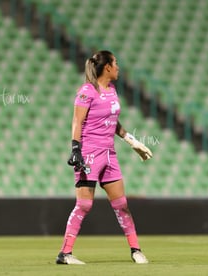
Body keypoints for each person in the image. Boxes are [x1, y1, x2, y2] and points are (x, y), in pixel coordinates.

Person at [56, 50, 153, 265]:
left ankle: (136, 250)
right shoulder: (86, 91)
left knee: (122, 205)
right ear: (107, 67)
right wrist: (75, 149)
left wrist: (132, 141)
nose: (118, 67)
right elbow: (77, 122)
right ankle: (64, 253)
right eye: (115, 63)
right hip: (89, 154)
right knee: (84, 205)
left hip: (109, 154)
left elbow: (112, 122)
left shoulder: (112, 90)